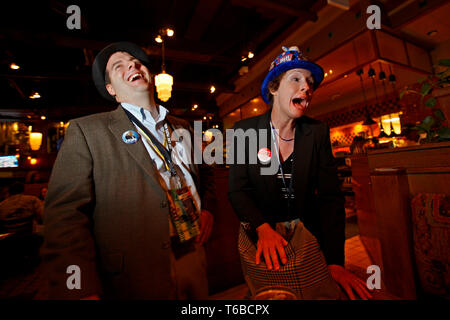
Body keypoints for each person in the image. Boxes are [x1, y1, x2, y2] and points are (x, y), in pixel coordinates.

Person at [42, 42, 215, 299]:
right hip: (133, 273)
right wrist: (80, 290)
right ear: (110, 88)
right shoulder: (86, 131)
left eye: (136, 61)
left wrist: (207, 207)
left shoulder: (184, 126)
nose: (133, 64)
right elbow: (65, 216)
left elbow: (204, 172)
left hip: (192, 252)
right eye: (118, 66)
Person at [228, 46, 372, 300]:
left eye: (310, 82)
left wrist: (336, 262)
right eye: (295, 79)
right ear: (273, 89)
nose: (306, 87)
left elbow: (331, 199)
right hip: (262, 241)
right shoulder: (245, 130)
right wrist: (262, 228)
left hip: (308, 241)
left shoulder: (317, 132)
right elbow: (237, 191)